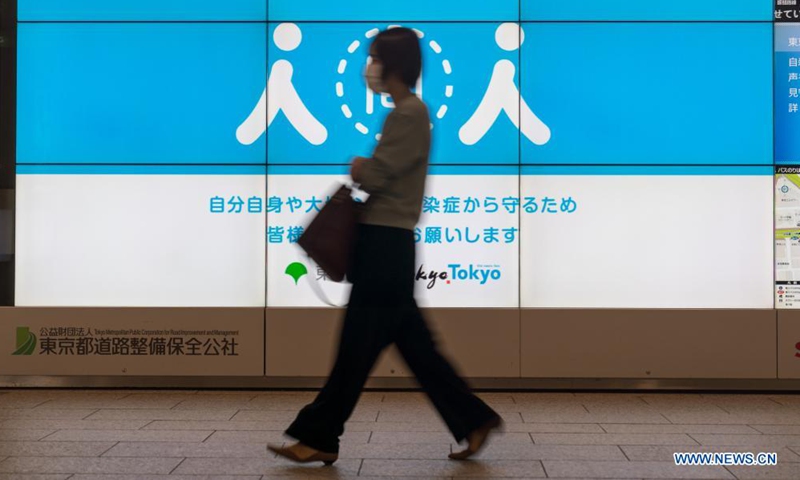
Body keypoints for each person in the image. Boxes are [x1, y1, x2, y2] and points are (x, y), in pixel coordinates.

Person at [268, 27, 502, 466]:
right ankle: (473, 420)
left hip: (383, 245)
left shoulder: (408, 114)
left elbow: (378, 175)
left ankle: (319, 435)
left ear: (393, 64)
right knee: (414, 348)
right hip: (389, 245)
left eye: (375, 58)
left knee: (356, 349)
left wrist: (360, 166)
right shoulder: (408, 113)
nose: (370, 68)